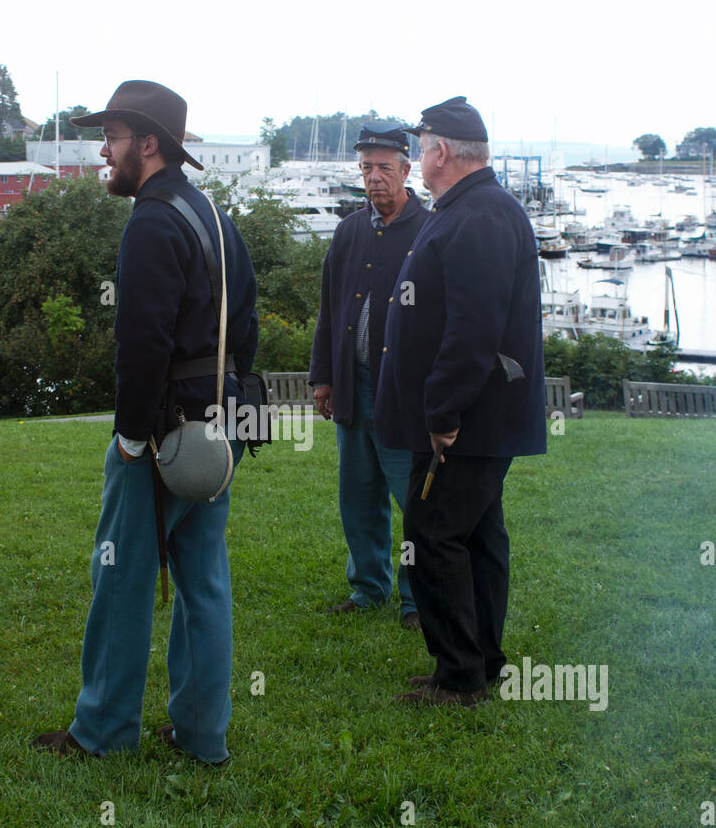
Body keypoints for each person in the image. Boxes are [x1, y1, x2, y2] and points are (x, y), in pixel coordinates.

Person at [32, 80, 258, 765]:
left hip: (165, 431)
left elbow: (143, 341)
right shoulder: (212, 215)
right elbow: (244, 327)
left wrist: (132, 436)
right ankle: (201, 734)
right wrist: (229, 413)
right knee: (203, 581)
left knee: (122, 576)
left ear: (148, 144)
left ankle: (100, 731)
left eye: (113, 137)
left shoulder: (153, 222)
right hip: (222, 425)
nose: (105, 149)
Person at [375, 97, 546, 706]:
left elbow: (473, 330)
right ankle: (480, 661)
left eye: (421, 148)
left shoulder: (479, 216)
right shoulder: (474, 210)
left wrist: (442, 415)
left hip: (469, 421)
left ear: (441, 151)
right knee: (474, 535)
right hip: (476, 419)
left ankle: (460, 676)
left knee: (434, 534)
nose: (420, 159)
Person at [309, 123, 426, 629]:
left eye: (384, 167)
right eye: (366, 168)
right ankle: (368, 588)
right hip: (352, 385)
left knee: (414, 501)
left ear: (406, 169)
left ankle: (418, 600)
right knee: (358, 494)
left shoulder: (429, 230)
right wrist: (323, 378)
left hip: (402, 392)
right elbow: (329, 312)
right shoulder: (349, 230)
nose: (374, 177)